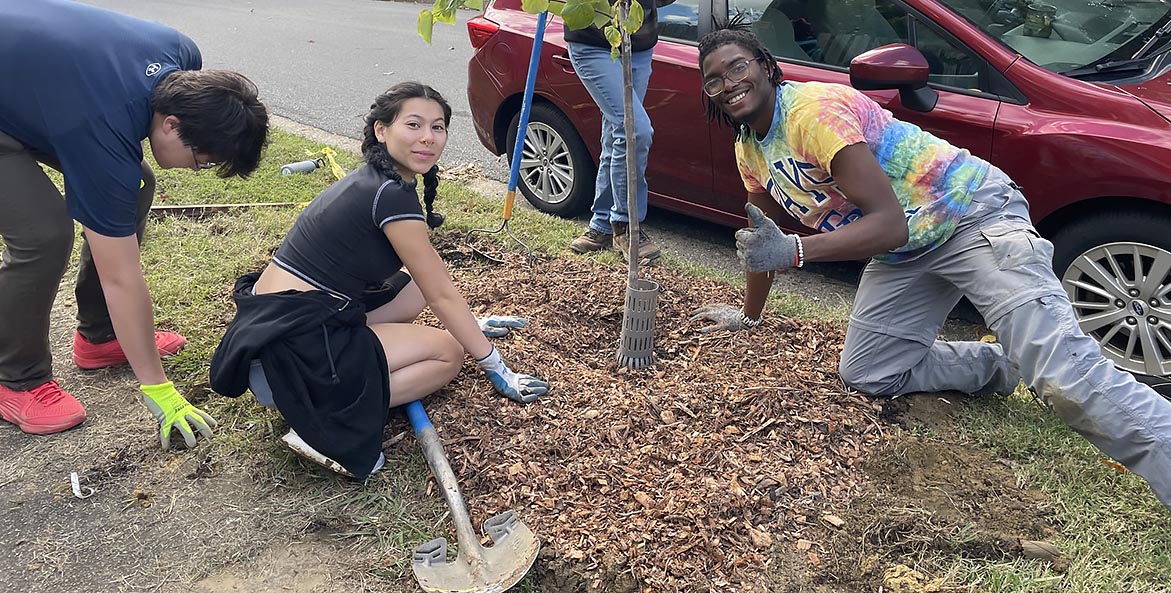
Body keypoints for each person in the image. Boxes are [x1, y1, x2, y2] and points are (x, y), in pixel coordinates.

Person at [692, 25, 1171, 509]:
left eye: (738, 66)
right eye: (714, 79)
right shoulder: (750, 149)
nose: (729, 83)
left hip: (970, 214)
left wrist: (797, 252)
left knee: (1064, 378)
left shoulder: (812, 115)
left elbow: (887, 225)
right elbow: (761, 239)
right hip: (907, 249)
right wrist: (749, 315)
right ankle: (998, 365)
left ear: (764, 65)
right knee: (869, 371)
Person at [209, 82, 549, 478]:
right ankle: (320, 419)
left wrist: (472, 324)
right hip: (291, 357)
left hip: (273, 335)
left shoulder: (374, 180)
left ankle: (337, 383)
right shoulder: (390, 195)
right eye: (414, 124)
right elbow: (443, 296)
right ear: (381, 130)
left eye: (438, 127)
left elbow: (432, 284)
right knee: (448, 353)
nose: (428, 137)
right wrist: (495, 365)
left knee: (417, 286)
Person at [0, 1, 269, 448]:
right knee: (42, 234)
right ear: (171, 123)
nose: (196, 171)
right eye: (202, 161)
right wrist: (158, 388)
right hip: (32, 100)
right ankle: (15, 378)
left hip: (38, 86)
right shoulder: (100, 123)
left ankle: (99, 335)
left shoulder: (183, 57)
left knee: (136, 182)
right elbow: (120, 276)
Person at [565, 0, 676, 262]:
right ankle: (626, 225)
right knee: (636, 130)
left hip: (638, 44)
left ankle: (602, 224)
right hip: (591, 41)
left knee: (619, 133)